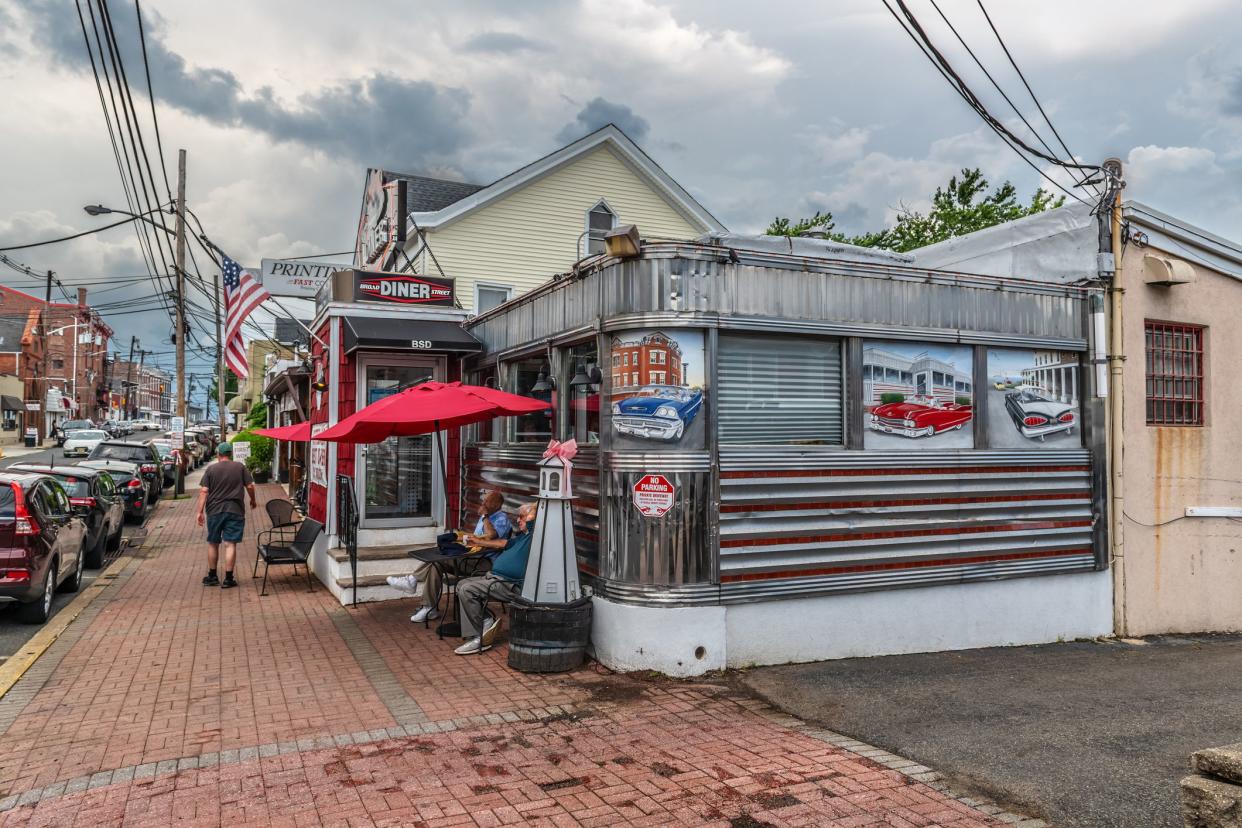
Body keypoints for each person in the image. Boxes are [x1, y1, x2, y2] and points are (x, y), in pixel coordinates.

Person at [386, 490, 511, 622]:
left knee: (441, 557)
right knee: (436, 564)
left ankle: (412, 580)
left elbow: (492, 536)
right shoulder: (486, 517)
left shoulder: (501, 518)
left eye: (487, 501)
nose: (483, 503)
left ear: (496, 504)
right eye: (484, 500)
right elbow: (478, 537)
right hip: (471, 557)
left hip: (485, 562)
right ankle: (429, 607)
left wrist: (485, 517)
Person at [453, 502, 537, 655]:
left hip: (509, 585)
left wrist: (536, 504)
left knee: (467, 590)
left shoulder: (535, 536)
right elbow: (503, 543)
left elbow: (533, 516)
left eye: (521, 517)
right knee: (461, 584)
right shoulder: (522, 537)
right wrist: (478, 541)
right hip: (495, 578)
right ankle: (484, 623)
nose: (518, 521)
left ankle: (480, 638)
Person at [195, 442, 257, 589]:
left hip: (215, 511)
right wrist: (253, 500)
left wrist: (199, 512)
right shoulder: (240, 467)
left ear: (218, 455)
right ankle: (229, 579)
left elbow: (204, 491)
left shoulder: (211, 469)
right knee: (230, 544)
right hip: (235, 510)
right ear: (230, 454)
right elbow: (249, 486)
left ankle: (212, 576)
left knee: (213, 542)